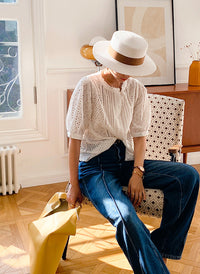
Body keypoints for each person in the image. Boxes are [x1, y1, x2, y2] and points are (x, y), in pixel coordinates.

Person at [66, 30, 199, 274]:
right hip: (95, 166)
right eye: (122, 68)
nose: (127, 76)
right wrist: (74, 184)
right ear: (109, 61)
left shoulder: (135, 89)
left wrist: (138, 172)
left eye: (132, 70)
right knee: (125, 217)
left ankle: (160, 247)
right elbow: (74, 140)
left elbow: (139, 135)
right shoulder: (87, 86)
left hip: (127, 159)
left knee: (189, 176)